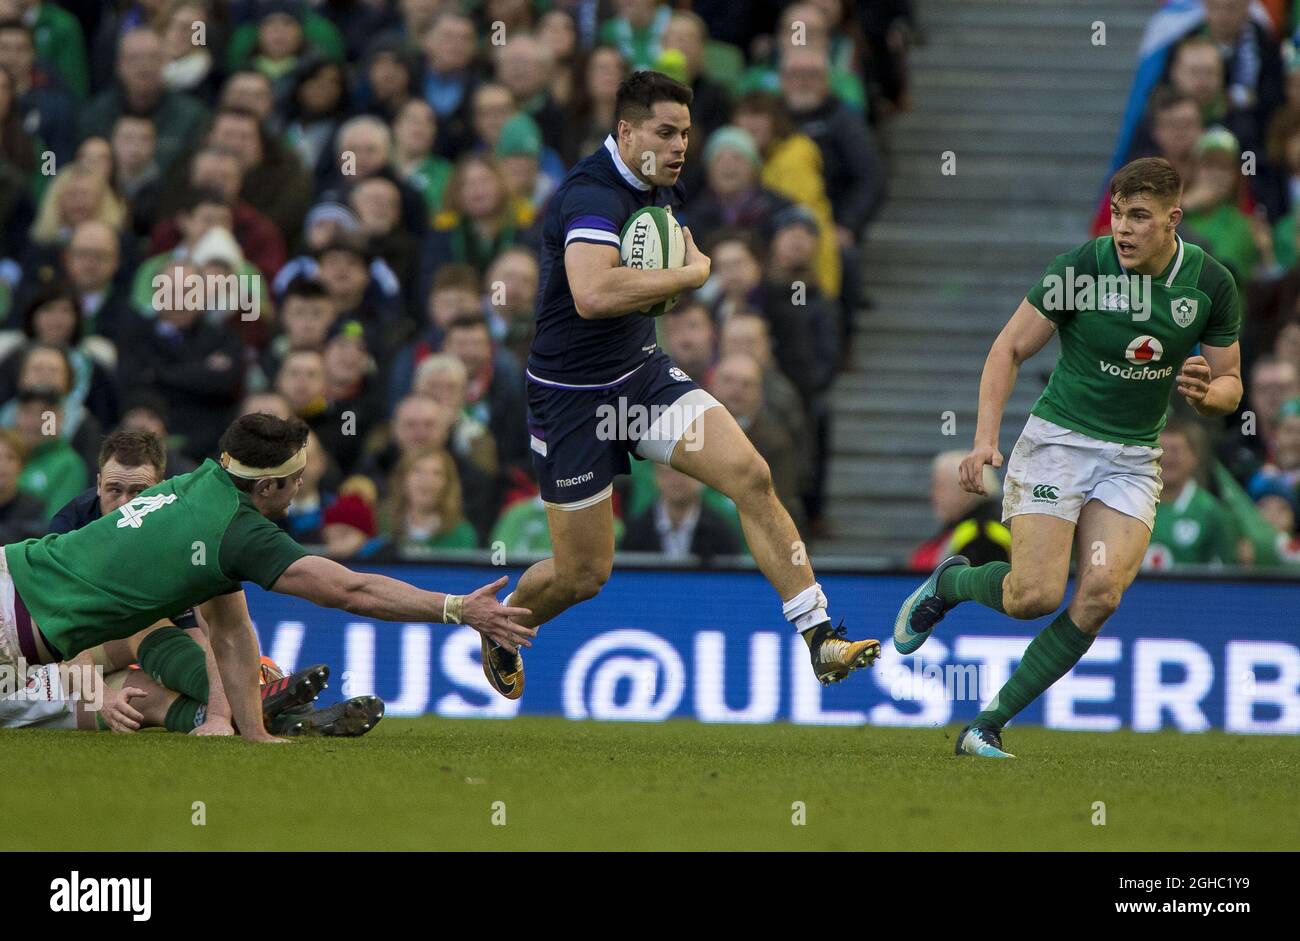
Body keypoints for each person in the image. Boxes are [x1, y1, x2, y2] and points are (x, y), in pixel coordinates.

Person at [495, 70, 880, 704]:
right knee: (583, 574)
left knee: (751, 475)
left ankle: (819, 638)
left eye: (686, 133)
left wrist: (678, 278)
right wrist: (692, 273)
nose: (680, 146)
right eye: (665, 133)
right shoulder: (592, 194)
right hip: (571, 400)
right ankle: (508, 624)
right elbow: (592, 295)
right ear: (626, 131)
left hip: (641, 379)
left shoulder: (658, 187)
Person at [894, 157, 1243, 759]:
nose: (1124, 229)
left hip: (1133, 455)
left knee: (1102, 593)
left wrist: (1209, 396)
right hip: (1059, 443)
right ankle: (950, 582)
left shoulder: (1210, 284)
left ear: (1173, 220)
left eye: (1139, 217)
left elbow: (1231, 379)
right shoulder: (1081, 269)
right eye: (1117, 214)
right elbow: (1008, 349)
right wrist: (984, 439)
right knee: (1034, 596)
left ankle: (988, 725)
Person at [0, 412, 532, 743]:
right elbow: (350, 589)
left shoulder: (201, 485)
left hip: (15, 592)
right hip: (11, 618)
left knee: (134, 657)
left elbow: (229, 631)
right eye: (296, 480)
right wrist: (459, 608)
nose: (301, 488)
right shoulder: (238, 531)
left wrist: (251, 733)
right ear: (270, 488)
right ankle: (256, 706)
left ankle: (259, 714)